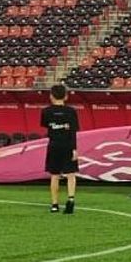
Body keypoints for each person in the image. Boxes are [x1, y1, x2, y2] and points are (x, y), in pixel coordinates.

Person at [42, 84, 80, 214]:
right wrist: (75, 149)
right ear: (66, 96)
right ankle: (70, 199)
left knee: (54, 175)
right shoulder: (71, 111)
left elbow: (45, 125)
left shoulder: (46, 111)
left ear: (51, 96)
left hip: (54, 145)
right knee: (71, 174)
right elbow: (73, 132)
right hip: (68, 145)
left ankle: (54, 204)